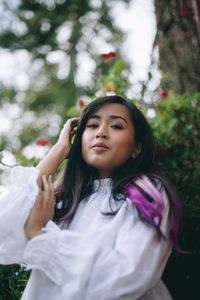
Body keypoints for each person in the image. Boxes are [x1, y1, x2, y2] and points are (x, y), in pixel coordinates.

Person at [0, 95, 182, 300]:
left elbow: (130, 275)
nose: (101, 132)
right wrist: (59, 150)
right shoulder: (63, 199)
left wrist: (41, 235)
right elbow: (4, 226)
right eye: (93, 125)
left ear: (136, 147)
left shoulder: (146, 193)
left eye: (116, 127)